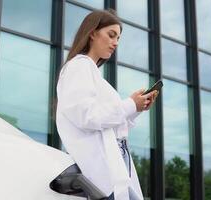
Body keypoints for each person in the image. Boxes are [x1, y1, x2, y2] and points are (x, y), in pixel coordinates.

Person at [55, 9, 158, 200]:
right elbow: (86, 116)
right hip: (103, 165)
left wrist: (136, 108)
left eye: (118, 38)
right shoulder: (80, 66)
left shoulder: (95, 76)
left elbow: (110, 122)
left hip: (117, 161)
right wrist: (129, 105)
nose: (115, 43)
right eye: (111, 35)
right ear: (93, 33)